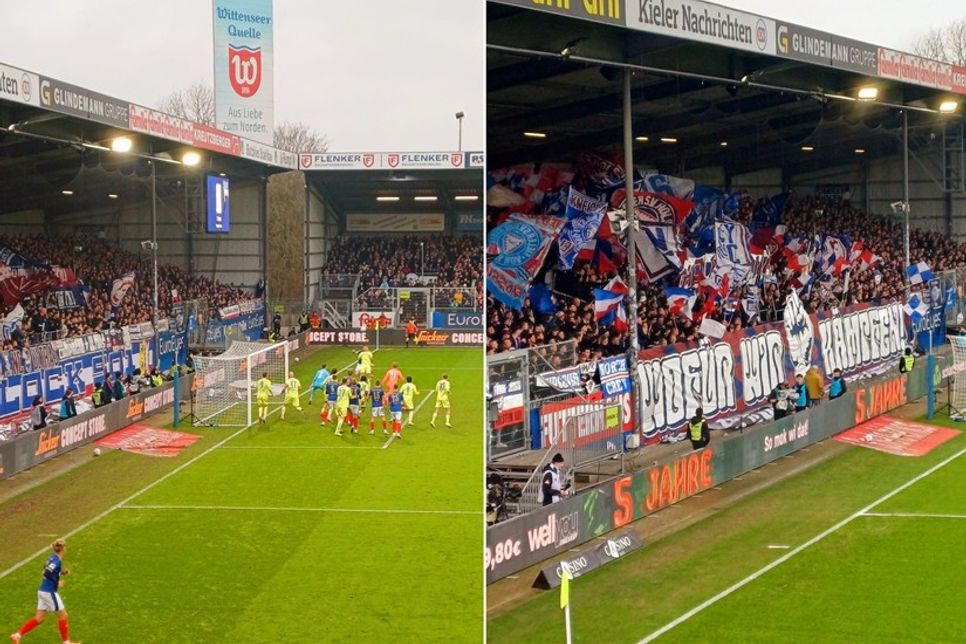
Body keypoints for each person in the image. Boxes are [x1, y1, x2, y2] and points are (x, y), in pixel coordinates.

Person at [10, 538, 81, 643]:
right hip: (49, 592)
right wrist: (56, 582)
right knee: (63, 615)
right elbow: (47, 573)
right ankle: (66, 642)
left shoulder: (51, 558)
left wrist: (61, 572)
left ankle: (17, 635)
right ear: (63, 549)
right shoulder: (56, 560)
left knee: (39, 618)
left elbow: (47, 569)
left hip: (42, 591)